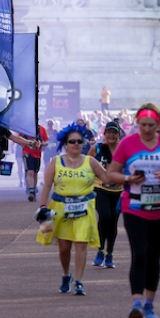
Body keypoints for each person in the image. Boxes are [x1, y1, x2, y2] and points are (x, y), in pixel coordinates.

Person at [105, 103, 160, 318]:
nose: (147, 129)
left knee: (154, 257)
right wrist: (128, 178)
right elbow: (111, 174)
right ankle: (136, 304)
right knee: (139, 255)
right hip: (135, 208)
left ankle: (149, 305)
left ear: (159, 124)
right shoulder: (127, 143)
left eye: (151, 125)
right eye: (143, 124)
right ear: (137, 123)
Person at [36, 124, 110, 296]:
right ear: (65, 144)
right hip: (61, 209)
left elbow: (107, 177)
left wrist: (124, 171)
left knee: (81, 244)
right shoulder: (56, 162)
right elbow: (47, 186)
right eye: (72, 141)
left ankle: (79, 281)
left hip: (84, 209)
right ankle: (66, 274)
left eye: (79, 141)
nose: (76, 144)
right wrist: (42, 206)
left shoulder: (90, 161)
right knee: (64, 248)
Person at [92, 120, 125, 268]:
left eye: (114, 133)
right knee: (105, 216)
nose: (111, 135)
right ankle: (100, 250)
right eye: (109, 132)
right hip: (100, 188)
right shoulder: (97, 148)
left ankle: (109, 253)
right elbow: (86, 165)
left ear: (119, 134)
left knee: (113, 221)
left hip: (118, 191)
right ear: (104, 134)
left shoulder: (124, 149)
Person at [22, 122, 50, 202]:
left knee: (35, 173)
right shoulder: (25, 128)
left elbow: (47, 141)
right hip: (27, 153)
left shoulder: (42, 129)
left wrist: (41, 144)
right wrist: (26, 144)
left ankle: (33, 191)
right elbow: (19, 139)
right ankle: (31, 191)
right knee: (30, 172)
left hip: (37, 154)